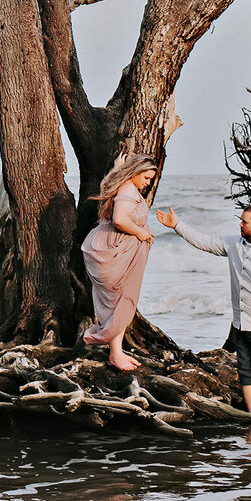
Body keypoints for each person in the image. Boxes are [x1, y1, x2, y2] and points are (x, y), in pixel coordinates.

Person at [154, 202, 251, 422]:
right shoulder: (235, 244)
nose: (239, 224)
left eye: (244, 221)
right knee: (247, 376)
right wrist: (177, 225)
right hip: (241, 325)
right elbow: (206, 243)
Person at [81, 154, 159, 371]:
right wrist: (140, 232)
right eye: (146, 177)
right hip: (114, 252)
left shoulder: (121, 185)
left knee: (117, 302)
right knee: (120, 301)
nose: (148, 183)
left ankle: (117, 351)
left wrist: (117, 169)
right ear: (134, 173)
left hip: (113, 249)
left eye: (151, 179)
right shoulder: (127, 191)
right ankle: (115, 353)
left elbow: (106, 185)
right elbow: (119, 220)